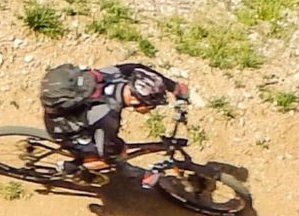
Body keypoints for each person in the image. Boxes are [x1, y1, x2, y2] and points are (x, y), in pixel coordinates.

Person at [39, 61, 188, 174]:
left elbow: (138, 67)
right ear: (136, 100)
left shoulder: (117, 75)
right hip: (62, 126)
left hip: (74, 111)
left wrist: (173, 87)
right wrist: (129, 165)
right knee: (117, 154)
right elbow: (108, 152)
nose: (151, 110)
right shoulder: (108, 116)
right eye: (151, 105)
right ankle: (73, 167)